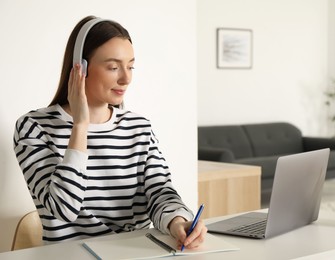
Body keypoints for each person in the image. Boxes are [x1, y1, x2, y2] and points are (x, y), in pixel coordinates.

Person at [13, 15, 207, 248]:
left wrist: (177, 221)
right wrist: (80, 126)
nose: (126, 78)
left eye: (131, 66)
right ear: (80, 68)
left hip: (136, 253)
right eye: (113, 67)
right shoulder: (33, 127)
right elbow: (64, 209)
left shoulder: (139, 127)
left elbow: (159, 191)